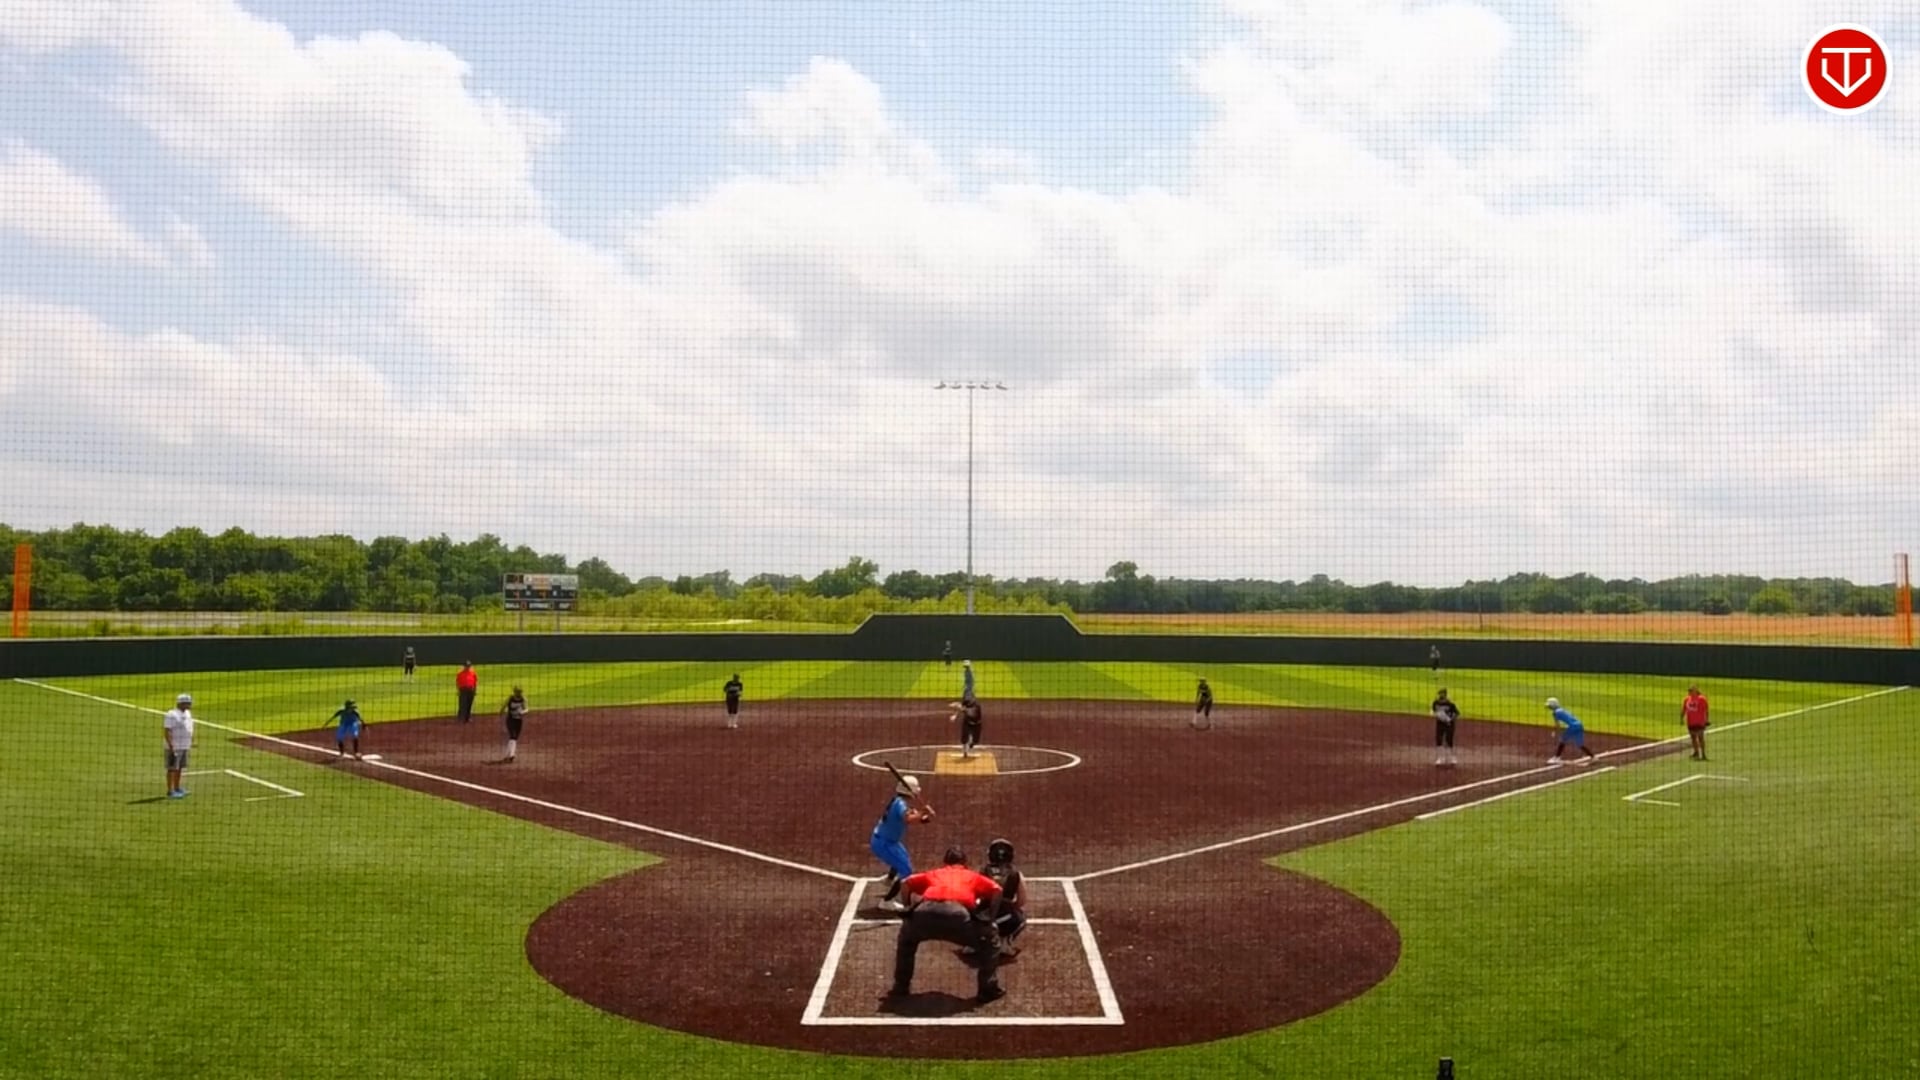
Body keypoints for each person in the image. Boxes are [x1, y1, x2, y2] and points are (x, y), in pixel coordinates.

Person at [889, 846, 1006, 1005]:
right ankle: (988, 990)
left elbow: (905, 883)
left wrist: (907, 909)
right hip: (956, 915)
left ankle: (900, 986)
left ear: (945, 862)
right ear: (965, 863)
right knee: (990, 943)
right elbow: (997, 890)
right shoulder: (972, 875)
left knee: (906, 940)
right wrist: (990, 918)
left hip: (924, 913)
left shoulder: (935, 873)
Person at [871, 774, 933, 911]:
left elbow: (910, 816)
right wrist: (923, 812)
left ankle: (889, 880)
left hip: (888, 841)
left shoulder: (899, 801)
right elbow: (908, 819)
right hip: (884, 843)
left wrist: (922, 818)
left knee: (902, 858)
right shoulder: (900, 804)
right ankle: (886, 902)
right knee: (906, 871)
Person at [977, 837, 1026, 957]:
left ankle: (973, 944)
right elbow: (1021, 901)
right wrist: (1008, 908)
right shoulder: (1016, 873)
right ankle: (1005, 943)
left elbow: (975, 896)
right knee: (1022, 917)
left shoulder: (983, 871)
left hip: (983, 918)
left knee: (970, 913)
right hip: (1006, 918)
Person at [1545, 697, 1595, 766]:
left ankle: (1557, 758)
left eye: (1549, 705)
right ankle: (1593, 757)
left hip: (1572, 727)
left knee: (1562, 740)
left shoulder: (1555, 712)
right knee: (1580, 744)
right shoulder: (1562, 710)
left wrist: (1555, 732)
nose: (1549, 707)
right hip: (1579, 725)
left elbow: (1557, 725)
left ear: (1553, 705)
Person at [163, 693, 195, 799]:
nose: (190, 705)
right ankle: (170, 791)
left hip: (184, 746)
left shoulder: (188, 713)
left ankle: (177, 787)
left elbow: (189, 727)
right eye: (188, 703)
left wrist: (192, 740)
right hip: (174, 746)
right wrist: (171, 746)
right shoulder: (171, 714)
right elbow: (167, 731)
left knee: (180, 768)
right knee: (172, 769)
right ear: (181, 703)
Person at [1432, 688, 1460, 766]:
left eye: (1441, 693)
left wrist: (1450, 719)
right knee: (1438, 740)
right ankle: (1440, 758)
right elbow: (1434, 711)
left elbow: (1457, 713)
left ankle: (1452, 757)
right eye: (1439, 694)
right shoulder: (1436, 703)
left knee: (1449, 740)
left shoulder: (1450, 704)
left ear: (1445, 694)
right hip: (1440, 724)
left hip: (1449, 724)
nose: (1440, 695)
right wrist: (1438, 715)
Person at [1682, 685, 1711, 761]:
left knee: (1700, 738)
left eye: (1691, 691)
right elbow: (1684, 709)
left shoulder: (1702, 699)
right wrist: (1681, 718)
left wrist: (1707, 720)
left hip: (1700, 722)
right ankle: (1696, 752)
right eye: (1689, 691)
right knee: (1693, 738)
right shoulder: (1686, 699)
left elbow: (1706, 710)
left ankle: (1703, 754)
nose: (1689, 692)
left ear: (1695, 691)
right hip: (1690, 722)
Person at [501, 686, 528, 763]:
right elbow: (503, 706)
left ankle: (507, 755)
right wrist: (501, 712)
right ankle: (512, 754)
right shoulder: (510, 698)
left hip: (518, 721)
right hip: (510, 720)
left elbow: (526, 709)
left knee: (514, 738)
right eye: (517, 692)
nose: (518, 693)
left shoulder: (523, 699)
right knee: (513, 736)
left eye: (519, 692)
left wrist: (522, 712)